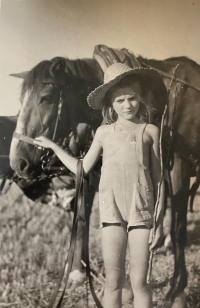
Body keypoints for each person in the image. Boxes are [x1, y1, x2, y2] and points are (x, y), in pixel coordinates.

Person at [34, 63, 166, 308]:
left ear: (141, 99)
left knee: (140, 283)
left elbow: (159, 181)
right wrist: (53, 147)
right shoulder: (103, 133)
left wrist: (160, 221)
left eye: (132, 99)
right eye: (120, 101)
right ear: (110, 105)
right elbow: (81, 168)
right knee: (113, 281)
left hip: (143, 214)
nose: (127, 105)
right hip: (112, 214)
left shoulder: (149, 131)